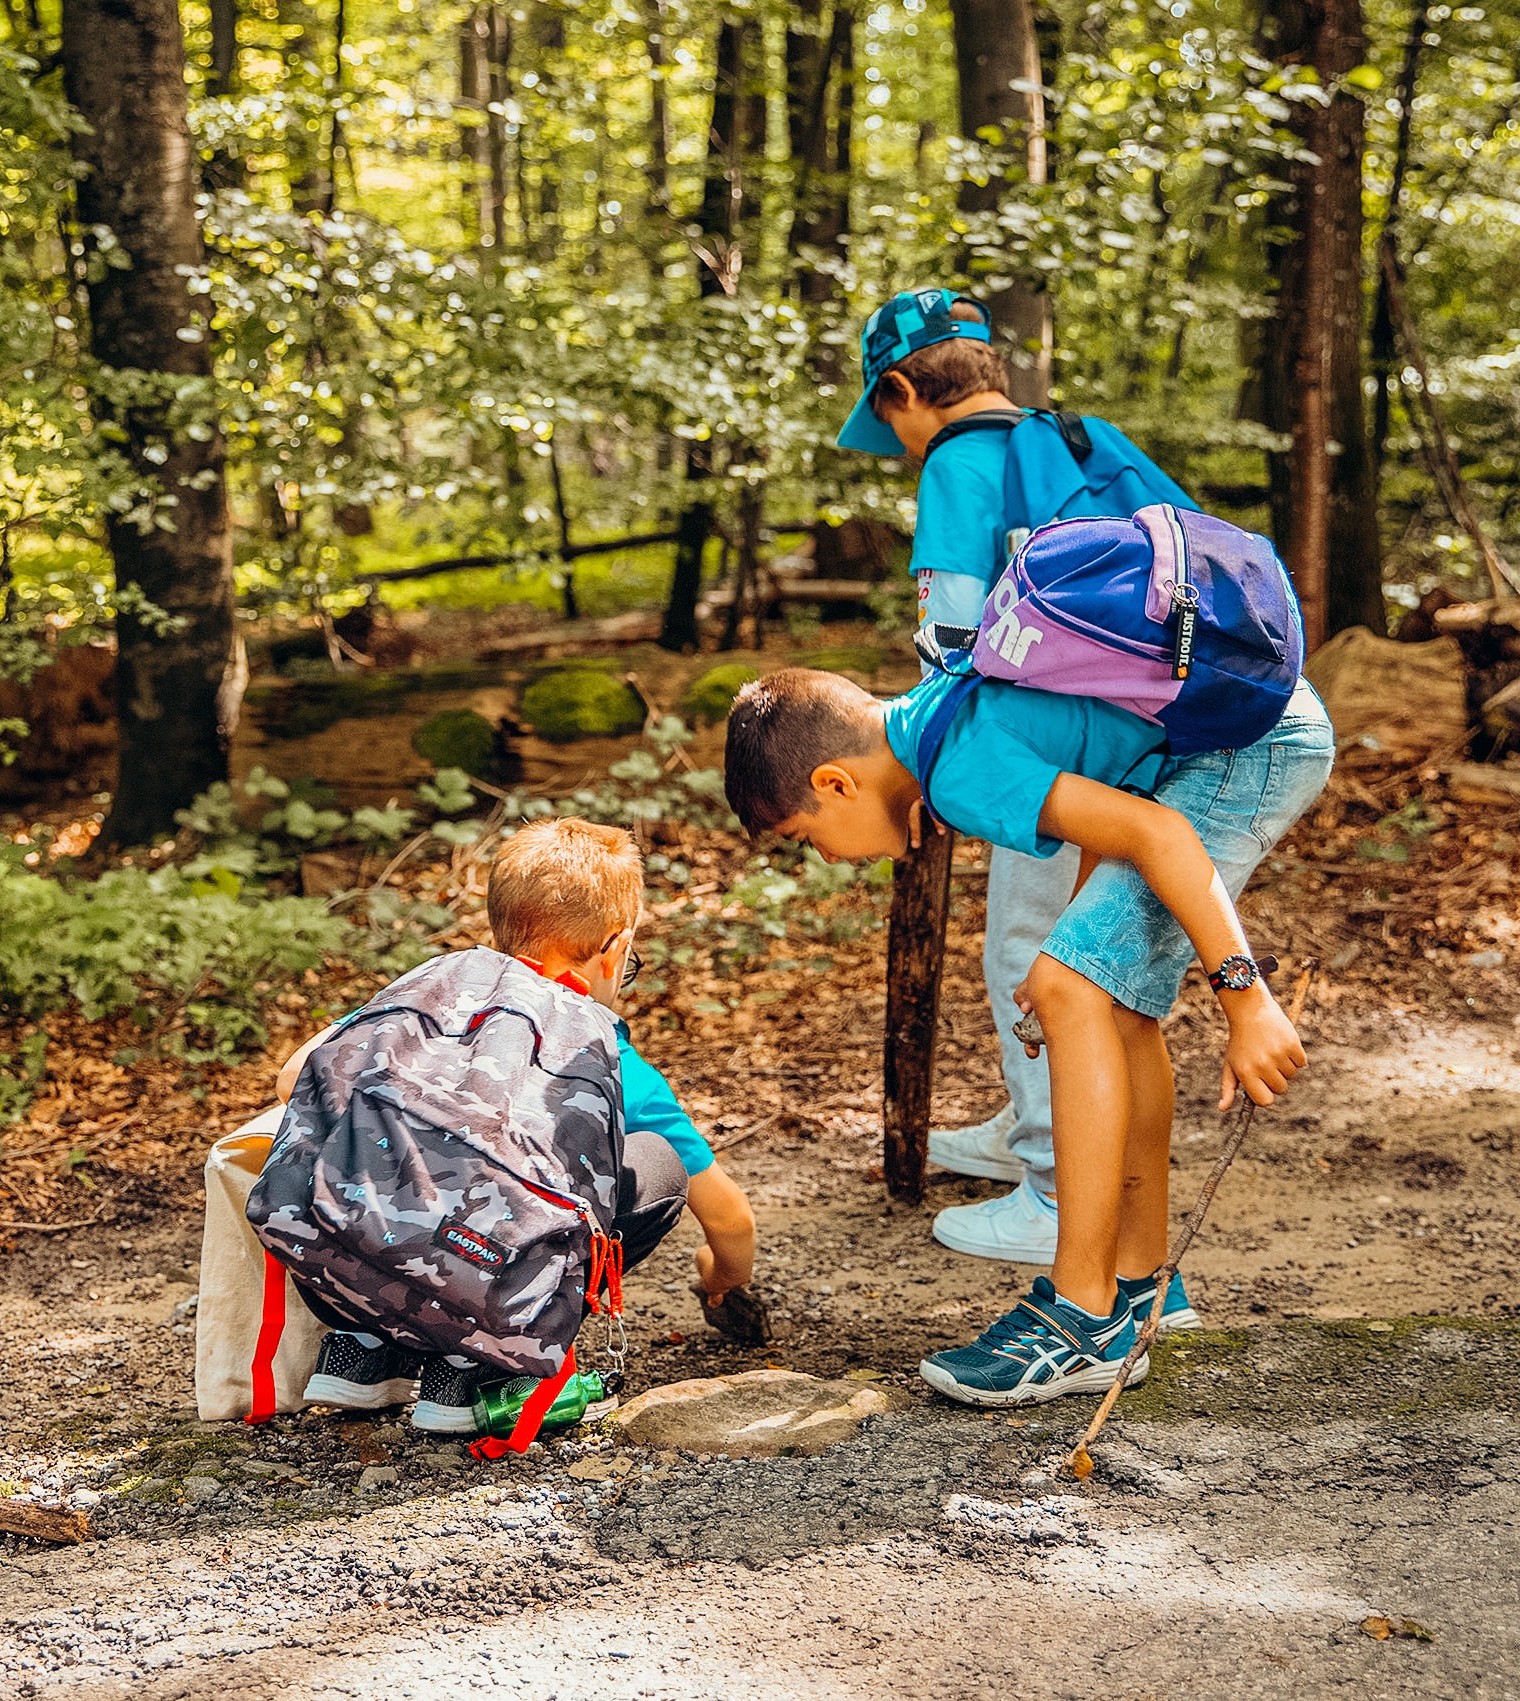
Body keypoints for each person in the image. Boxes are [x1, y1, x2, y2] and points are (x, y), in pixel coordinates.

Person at [723, 664, 1331, 1405]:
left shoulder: (953, 769)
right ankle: (1143, 1292)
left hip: (1244, 746)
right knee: (1099, 995)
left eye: (803, 833)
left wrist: (1245, 999)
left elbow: (1157, 830)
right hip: (1246, 726)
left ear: (835, 782)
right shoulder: (940, 714)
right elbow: (1108, 810)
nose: (822, 854)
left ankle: (1082, 1316)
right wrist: (1079, 941)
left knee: (1066, 986)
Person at [836, 286, 1198, 1266]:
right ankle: (1028, 1126)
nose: (900, 443)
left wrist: (922, 754)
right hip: (1143, 725)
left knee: (1028, 952)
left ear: (903, 389)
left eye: (889, 420)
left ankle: (1050, 1179)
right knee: (1077, 949)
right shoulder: (1068, 440)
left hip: (1039, 740)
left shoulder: (957, 462)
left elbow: (948, 633)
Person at [270, 818, 758, 1432]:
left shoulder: (431, 1004)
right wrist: (721, 1278)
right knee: (657, 1161)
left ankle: (362, 1351)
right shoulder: (598, 1050)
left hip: (347, 1266)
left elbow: (294, 1077)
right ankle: (473, 1364)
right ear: (614, 948)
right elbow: (730, 1219)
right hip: (486, 1280)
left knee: (360, 1139)